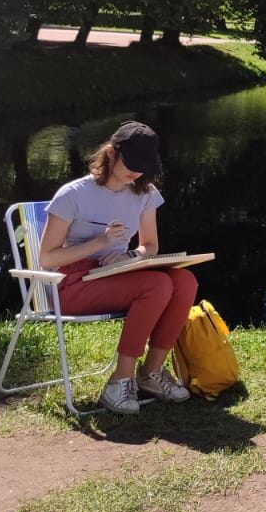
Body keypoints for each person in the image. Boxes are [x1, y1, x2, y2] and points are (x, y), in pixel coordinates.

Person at [38, 121, 196, 414]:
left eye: (144, 165)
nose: (137, 171)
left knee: (185, 280)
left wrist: (131, 256)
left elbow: (149, 245)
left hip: (115, 274)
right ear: (111, 153)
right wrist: (100, 243)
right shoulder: (73, 194)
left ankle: (151, 374)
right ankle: (119, 382)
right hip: (71, 283)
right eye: (132, 163)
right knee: (157, 285)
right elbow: (47, 258)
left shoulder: (144, 192)